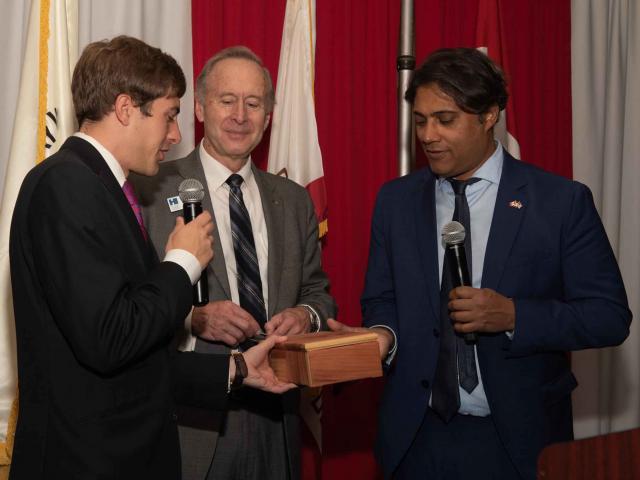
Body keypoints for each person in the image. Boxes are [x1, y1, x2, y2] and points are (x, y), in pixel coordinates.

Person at [329, 47, 631, 479]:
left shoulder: (560, 203)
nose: (428, 135)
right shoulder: (395, 201)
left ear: (489, 115)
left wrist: (513, 314)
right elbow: (383, 299)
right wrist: (381, 338)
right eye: (420, 120)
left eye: (445, 119)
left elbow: (609, 317)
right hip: (415, 439)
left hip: (517, 442)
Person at [9, 36, 293, 480]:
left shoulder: (102, 189)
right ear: (125, 109)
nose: (176, 135)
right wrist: (181, 264)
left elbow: (137, 360)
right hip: (86, 463)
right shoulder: (65, 186)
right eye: (170, 115)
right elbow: (110, 339)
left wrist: (234, 370)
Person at [132, 46, 336, 480]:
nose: (240, 115)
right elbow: (129, 307)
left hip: (277, 417)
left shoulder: (294, 200)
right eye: (227, 101)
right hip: (191, 422)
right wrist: (192, 317)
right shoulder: (151, 190)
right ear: (202, 108)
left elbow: (319, 292)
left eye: (253, 102)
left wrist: (306, 314)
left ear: (268, 115)